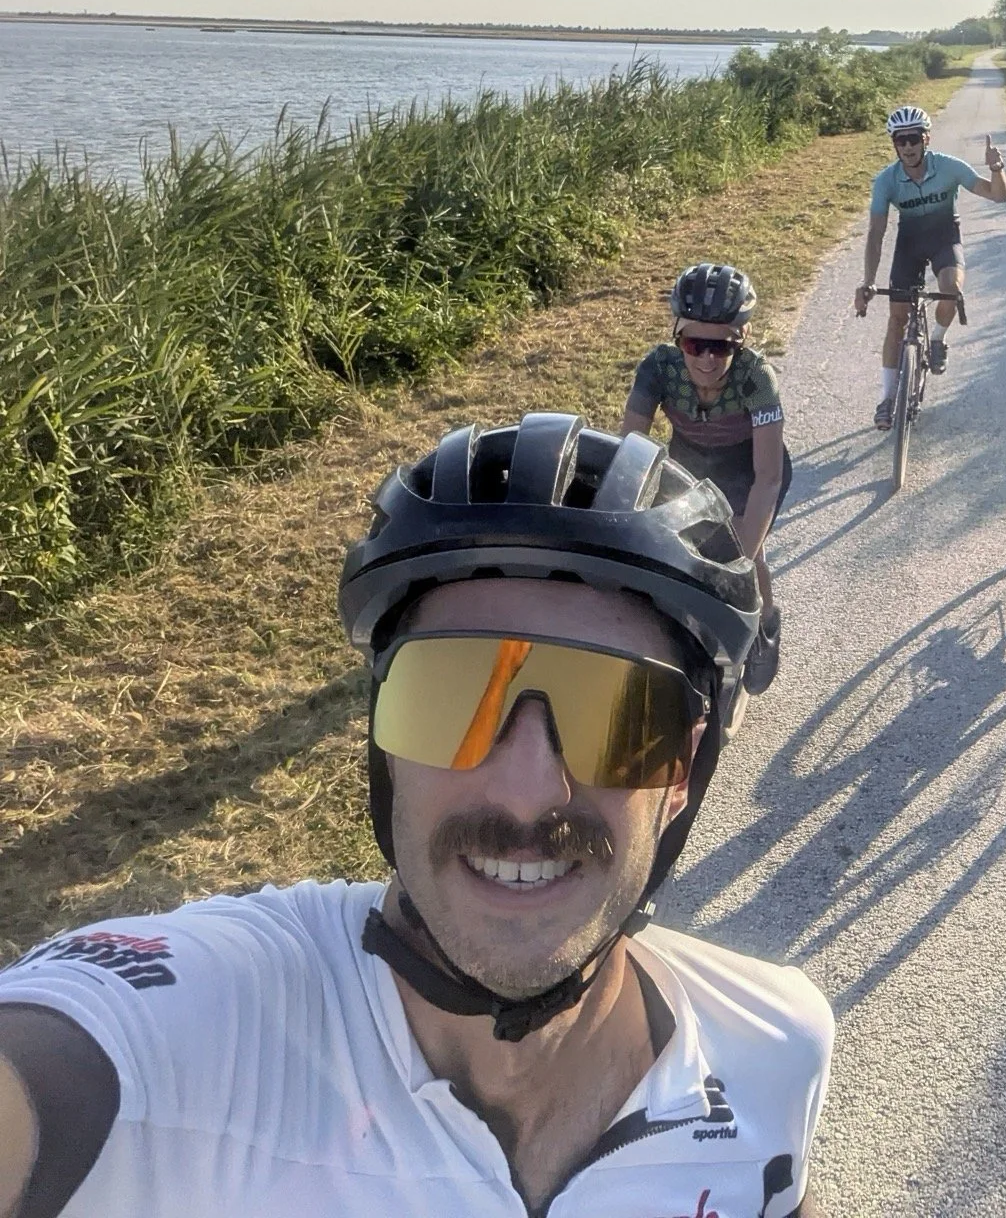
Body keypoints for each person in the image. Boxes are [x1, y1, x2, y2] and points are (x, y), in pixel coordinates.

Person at [0, 415, 831, 1217]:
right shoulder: (202, 1036)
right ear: (382, 746)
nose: (526, 794)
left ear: (682, 769)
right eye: (450, 699)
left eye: (618, 718)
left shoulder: (772, 1048)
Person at [621, 263, 790, 696]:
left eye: (721, 347)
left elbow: (767, 478)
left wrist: (740, 560)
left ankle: (765, 622)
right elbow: (630, 451)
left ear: (742, 340)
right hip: (690, 461)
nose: (707, 359)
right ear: (678, 335)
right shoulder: (658, 368)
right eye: (695, 345)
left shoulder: (757, 378)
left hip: (749, 468)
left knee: (746, 559)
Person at [853, 103, 1006, 429]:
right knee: (897, 319)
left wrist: (997, 168)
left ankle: (936, 339)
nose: (908, 146)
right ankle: (886, 398)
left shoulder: (949, 167)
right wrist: (867, 281)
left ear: (926, 138)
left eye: (914, 138)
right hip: (909, 242)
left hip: (944, 238)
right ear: (894, 143)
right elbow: (876, 233)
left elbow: (998, 196)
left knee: (951, 289)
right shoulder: (886, 181)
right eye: (901, 140)